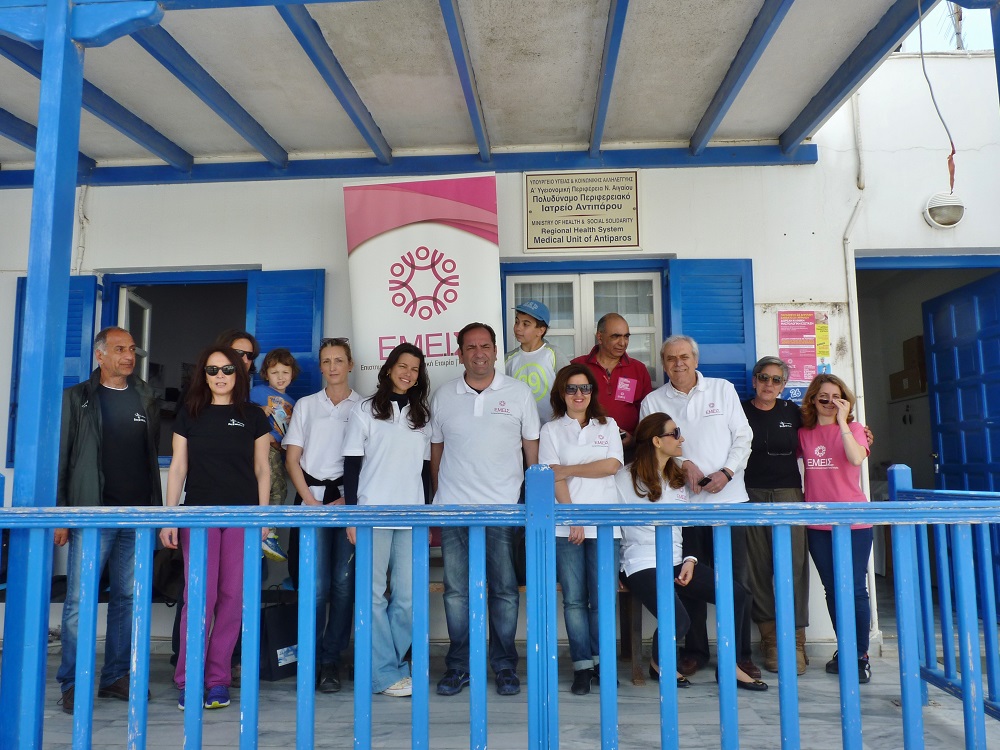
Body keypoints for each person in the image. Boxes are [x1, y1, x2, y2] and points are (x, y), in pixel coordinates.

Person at [616, 413, 767, 691]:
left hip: (676, 560)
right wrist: (615, 567)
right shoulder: (625, 478)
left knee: (737, 594)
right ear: (657, 441)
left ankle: (730, 665)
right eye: (675, 433)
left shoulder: (676, 475)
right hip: (640, 563)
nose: (682, 438)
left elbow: (688, 527)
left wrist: (690, 560)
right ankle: (659, 664)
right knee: (678, 620)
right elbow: (612, 525)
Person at [55, 327, 161, 714]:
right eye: (119, 349)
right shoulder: (77, 398)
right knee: (80, 600)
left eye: (131, 349)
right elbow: (63, 457)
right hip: (92, 513)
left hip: (137, 516)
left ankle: (116, 676)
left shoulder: (145, 396)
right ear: (100, 355)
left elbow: (149, 457)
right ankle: (72, 682)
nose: (128, 356)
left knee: (128, 599)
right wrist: (61, 514)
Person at [431, 322, 540, 697]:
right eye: (471, 347)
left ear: (495, 350)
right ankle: (459, 666)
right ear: (459, 353)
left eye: (485, 346)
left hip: (503, 509)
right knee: (456, 592)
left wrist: (529, 500)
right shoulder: (444, 395)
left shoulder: (519, 393)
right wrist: (439, 495)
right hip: (454, 509)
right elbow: (436, 451)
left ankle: (505, 665)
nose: (479, 353)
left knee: (505, 591)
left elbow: (531, 450)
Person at [160, 346, 271, 710]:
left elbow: (262, 468)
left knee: (232, 600)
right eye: (212, 370)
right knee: (199, 599)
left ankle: (218, 680)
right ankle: (188, 679)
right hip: (199, 516)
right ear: (203, 376)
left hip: (243, 517)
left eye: (227, 369)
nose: (220, 376)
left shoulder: (253, 416)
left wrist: (264, 516)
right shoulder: (189, 414)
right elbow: (178, 467)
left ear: (239, 373)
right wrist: (170, 516)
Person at [639, 334, 756, 678]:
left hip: (729, 503)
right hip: (683, 507)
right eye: (671, 358)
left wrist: (727, 472)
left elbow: (743, 437)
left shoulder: (722, 389)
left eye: (685, 357)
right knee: (688, 579)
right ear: (663, 364)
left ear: (695, 359)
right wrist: (683, 463)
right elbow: (651, 448)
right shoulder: (653, 400)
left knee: (736, 582)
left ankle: (739, 656)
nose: (679, 364)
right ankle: (695, 651)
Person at [343, 343, 432, 698]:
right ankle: (385, 673)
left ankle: (384, 669)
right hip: (371, 513)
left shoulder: (422, 415)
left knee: (408, 598)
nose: (408, 373)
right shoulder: (365, 410)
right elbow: (352, 466)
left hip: (412, 515)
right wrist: (352, 516)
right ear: (389, 368)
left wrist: (426, 516)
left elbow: (425, 472)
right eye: (402, 366)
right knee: (373, 596)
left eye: (414, 369)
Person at [538, 364, 623, 695]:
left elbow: (612, 466)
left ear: (592, 392)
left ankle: (604, 663)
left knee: (603, 600)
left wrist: (568, 469)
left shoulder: (608, 425)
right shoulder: (551, 430)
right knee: (574, 601)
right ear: (561, 393)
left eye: (585, 388)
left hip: (605, 525)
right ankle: (582, 667)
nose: (578, 394)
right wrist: (573, 516)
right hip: (567, 526)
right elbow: (551, 476)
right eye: (571, 388)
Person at [282, 337, 359, 693]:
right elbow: (292, 459)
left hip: (347, 502)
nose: (332, 367)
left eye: (338, 360)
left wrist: (347, 499)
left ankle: (331, 658)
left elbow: (367, 460)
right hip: (310, 501)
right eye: (326, 361)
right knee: (314, 585)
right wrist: (308, 501)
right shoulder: (307, 406)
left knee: (343, 584)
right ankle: (310, 657)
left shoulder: (363, 406)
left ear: (350, 364)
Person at [799, 374, 873, 684]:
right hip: (818, 524)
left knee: (854, 589)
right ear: (813, 400)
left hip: (854, 522)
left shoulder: (854, 429)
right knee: (832, 589)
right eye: (823, 397)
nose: (830, 402)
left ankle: (860, 655)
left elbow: (855, 458)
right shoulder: (803, 433)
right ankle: (846, 649)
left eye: (837, 397)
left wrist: (843, 422)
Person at [742, 356, 810, 674]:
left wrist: (856, 430)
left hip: (788, 495)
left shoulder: (793, 412)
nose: (769, 384)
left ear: (784, 385)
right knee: (757, 568)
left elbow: (824, 432)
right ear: (754, 380)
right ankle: (770, 640)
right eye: (763, 377)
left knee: (794, 567)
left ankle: (796, 641)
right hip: (750, 494)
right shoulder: (739, 410)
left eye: (776, 379)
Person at [572, 313, 652, 461]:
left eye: (626, 336)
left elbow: (647, 412)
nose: (622, 343)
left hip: (628, 451)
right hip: (586, 450)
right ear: (600, 337)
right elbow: (565, 407)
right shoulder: (578, 366)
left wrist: (634, 439)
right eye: (616, 336)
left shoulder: (638, 369)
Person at [250, 347, 299, 562]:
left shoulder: (294, 403)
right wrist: (258, 411)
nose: (280, 377)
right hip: (259, 449)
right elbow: (241, 413)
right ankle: (265, 533)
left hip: (278, 452)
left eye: (285, 372)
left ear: (292, 374)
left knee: (279, 489)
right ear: (266, 374)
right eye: (274, 372)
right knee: (264, 488)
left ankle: (268, 532)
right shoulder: (257, 392)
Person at [504, 300, 570, 422]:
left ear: (541, 330)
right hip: (519, 425)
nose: (518, 328)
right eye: (517, 322)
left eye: (526, 324)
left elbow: (570, 387)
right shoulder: (508, 359)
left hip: (552, 425)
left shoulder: (553, 353)